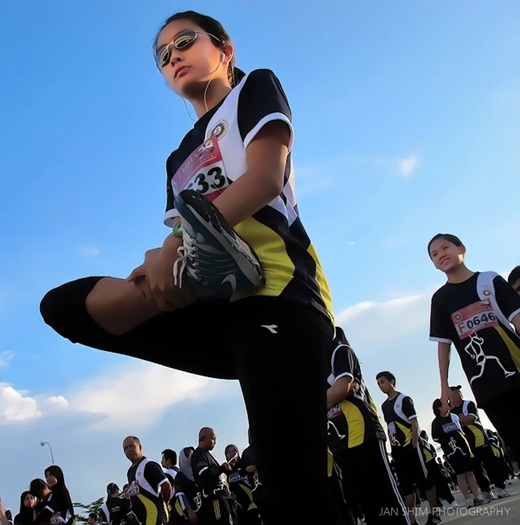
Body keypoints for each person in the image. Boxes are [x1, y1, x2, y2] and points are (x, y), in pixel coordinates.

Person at [39, 10, 335, 525]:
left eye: (184, 41)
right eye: (162, 55)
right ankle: (190, 282)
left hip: (278, 297)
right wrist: (162, 263)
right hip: (215, 305)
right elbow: (180, 232)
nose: (172, 56)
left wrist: (179, 242)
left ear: (225, 50)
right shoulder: (177, 158)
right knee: (61, 306)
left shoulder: (253, 90)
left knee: (292, 491)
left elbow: (266, 176)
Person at [427, 233, 520, 462]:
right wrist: (444, 386)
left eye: (445, 248)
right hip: (486, 386)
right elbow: (443, 345)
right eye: (434, 254)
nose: (441, 255)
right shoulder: (440, 300)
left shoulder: (489, 280)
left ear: (462, 249)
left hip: (516, 371)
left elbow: (516, 317)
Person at [326, 328, 409, 524]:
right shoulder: (314, 364)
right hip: (339, 440)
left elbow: (342, 388)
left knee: (385, 495)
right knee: (365, 502)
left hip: (363, 431)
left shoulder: (340, 351)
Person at [376, 371, 441, 525]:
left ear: (391, 381)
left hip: (411, 447)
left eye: (382, 382)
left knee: (424, 481)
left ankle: (435, 514)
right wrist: (392, 446)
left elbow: (414, 422)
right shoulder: (384, 406)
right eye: (378, 384)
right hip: (398, 451)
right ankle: (411, 520)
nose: (380, 386)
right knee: (406, 486)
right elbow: (390, 427)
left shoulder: (403, 399)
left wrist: (414, 444)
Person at [447, 385, 509, 498]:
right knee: (476, 468)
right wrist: (461, 419)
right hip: (466, 443)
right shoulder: (450, 411)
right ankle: (486, 490)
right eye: (455, 392)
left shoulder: (469, 404)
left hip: (479, 439)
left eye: (459, 392)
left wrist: (458, 420)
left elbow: (471, 419)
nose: (459, 394)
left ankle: (501, 488)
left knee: (490, 464)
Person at [431, 398, 487, 508]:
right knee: (460, 474)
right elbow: (435, 438)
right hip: (452, 452)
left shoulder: (454, 416)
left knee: (470, 472)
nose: (448, 404)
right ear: (439, 407)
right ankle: (468, 499)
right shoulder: (436, 422)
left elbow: (460, 429)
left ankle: (477, 496)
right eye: (444, 404)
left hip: (464, 447)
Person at [191, 427, 238, 525]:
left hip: (225, 496)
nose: (215, 442)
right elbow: (206, 473)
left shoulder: (208, 455)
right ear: (202, 438)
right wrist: (222, 468)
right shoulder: (198, 454)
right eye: (212, 439)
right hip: (214, 498)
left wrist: (227, 470)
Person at [123, 436, 172, 525]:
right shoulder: (130, 472)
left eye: (132, 446)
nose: (129, 449)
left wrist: (165, 503)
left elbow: (166, 486)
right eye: (125, 448)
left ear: (140, 447)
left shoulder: (149, 465)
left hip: (156, 518)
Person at [171, 446, 201, 524]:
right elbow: (180, 495)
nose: (192, 456)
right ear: (183, 458)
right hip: (193, 513)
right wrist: (189, 511)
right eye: (188, 454)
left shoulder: (198, 472)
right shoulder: (180, 476)